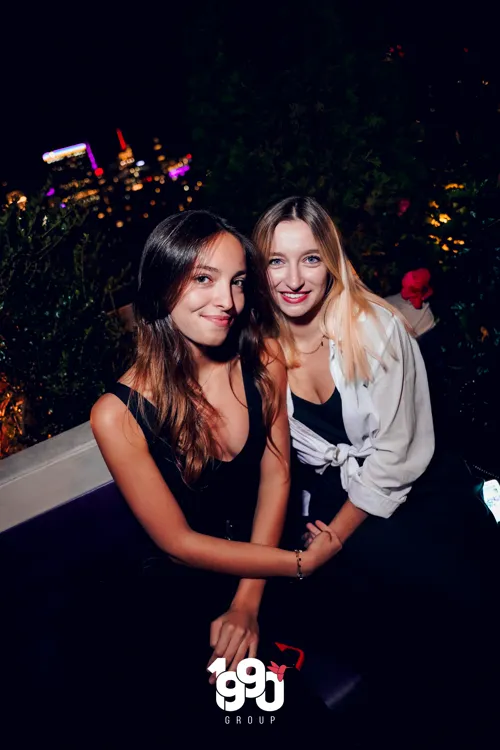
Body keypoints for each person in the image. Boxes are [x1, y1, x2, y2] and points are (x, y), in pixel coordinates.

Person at [253, 196, 499, 747]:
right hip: (329, 505)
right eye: (276, 260)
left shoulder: (376, 327)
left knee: (449, 607)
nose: (293, 278)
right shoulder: (256, 353)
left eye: (310, 259)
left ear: (332, 262)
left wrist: (333, 538)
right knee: (370, 633)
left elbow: (394, 457)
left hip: (413, 490)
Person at [88, 210, 339, 744]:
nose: (226, 301)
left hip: (264, 562)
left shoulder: (264, 363)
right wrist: (298, 564)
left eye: (238, 282)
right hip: (184, 590)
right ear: (163, 283)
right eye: (203, 278)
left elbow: (277, 478)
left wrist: (251, 598)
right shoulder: (117, 414)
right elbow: (178, 544)